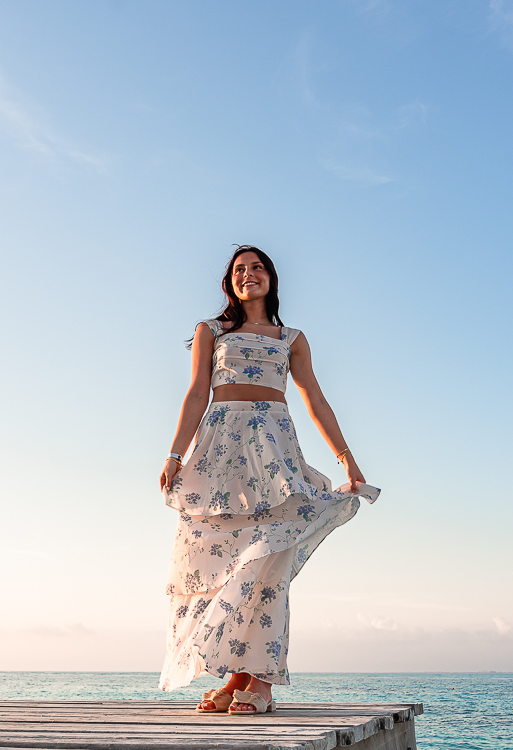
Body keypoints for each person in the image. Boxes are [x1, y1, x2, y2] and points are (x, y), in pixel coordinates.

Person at [158, 245, 379, 714]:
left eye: (256, 267)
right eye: (239, 270)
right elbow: (197, 392)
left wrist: (346, 460)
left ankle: (260, 681)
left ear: (271, 278)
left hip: (274, 454)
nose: (248, 275)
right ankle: (236, 673)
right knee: (226, 564)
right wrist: (176, 453)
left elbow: (315, 397)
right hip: (221, 452)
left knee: (268, 566)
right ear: (229, 283)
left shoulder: (291, 337)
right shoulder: (211, 331)